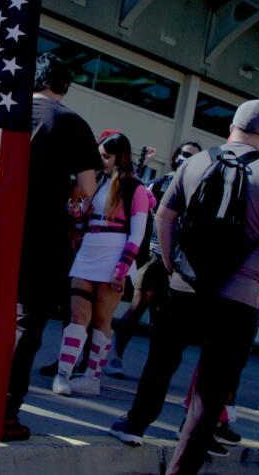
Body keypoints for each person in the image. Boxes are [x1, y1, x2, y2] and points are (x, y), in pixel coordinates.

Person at [108, 99, 259, 475]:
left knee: (161, 361)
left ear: (231, 127)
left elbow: (164, 216)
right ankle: (183, 466)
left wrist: (169, 261)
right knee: (212, 389)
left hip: (184, 285)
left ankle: (135, 425)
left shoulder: (196, 161)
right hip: (239, 295)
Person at [2, 52, 100, 441]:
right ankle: (6, 411)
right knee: (26, 323)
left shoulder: (6, 108)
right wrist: (70, 191)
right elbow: (89, 187)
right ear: (63, 86)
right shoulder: (72, 123)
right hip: (42, 235)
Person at [50, 130, 154, 396]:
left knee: (101, 320)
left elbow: (138, 233)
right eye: (100, 156)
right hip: (89, 252)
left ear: (120, 157)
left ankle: (92, 378)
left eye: (106, 156)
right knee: (77, 315)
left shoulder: (136, 188)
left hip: (114, 255)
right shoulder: (96, 181)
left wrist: (122, 267)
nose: (102, 161)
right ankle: (63, 374)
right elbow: (81, 222)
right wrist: (75, 210)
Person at [106, 140, 201, 379]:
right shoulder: (160, 183)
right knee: (137, 307)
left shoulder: (199, 187)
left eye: (194, 156)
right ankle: (115, 356)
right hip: (156, 255)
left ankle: (155, 372)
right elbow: (136, 200)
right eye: (185, 154)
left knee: (167, 319)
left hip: (182, 263)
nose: (188, 159)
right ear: (176, 156)